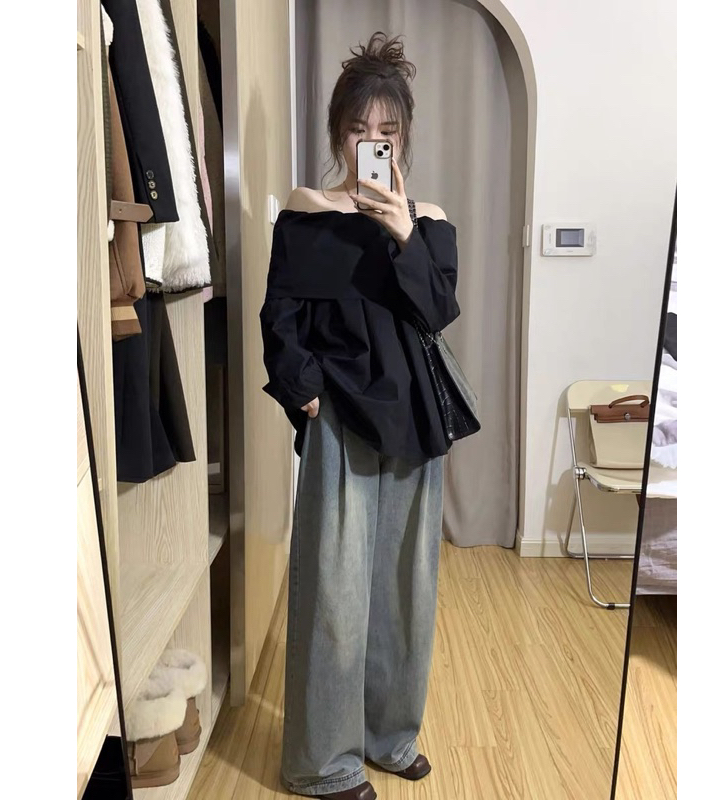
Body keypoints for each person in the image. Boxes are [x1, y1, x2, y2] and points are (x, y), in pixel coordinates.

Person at [259, 31, 461, 800]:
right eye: (358, 130)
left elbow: (436, 312)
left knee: (406, 593)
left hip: (414, 423)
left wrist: (402, 228)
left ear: (403, 139)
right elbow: (280, 317)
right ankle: (323, 763)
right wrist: (304, 390)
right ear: (337, 133)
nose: (372, 144)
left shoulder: (428, 220)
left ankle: (388, 737)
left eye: (388, 132)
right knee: (335, 595)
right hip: (339, 418)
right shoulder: (305, 214)